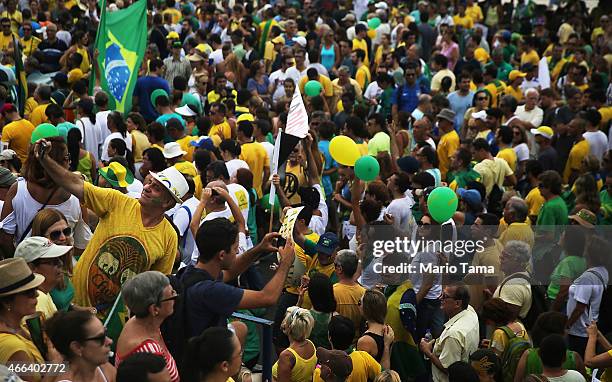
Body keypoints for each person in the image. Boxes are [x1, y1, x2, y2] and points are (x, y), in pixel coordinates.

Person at [34, 141, 187, 336]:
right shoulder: (118, 202)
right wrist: (45, 160)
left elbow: (155, 288)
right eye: (149, 182)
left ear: (167, 202)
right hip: (74, 306)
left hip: (111, 324)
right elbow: (76, 185)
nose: (147, 187)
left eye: (156, 188)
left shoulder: (168, 237)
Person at [0, 134, 91, 257]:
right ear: (55, 163)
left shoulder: (17, 191)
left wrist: (22, 263)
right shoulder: (77, 196)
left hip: (28, 268)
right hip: (62, 269)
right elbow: (82, 245)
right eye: (66, 158)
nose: (69, 163)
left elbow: (5, 238)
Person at [116, 271, 179, 382]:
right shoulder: (148, 352)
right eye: (171, 295)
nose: (175, 295)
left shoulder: (138, 321)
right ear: (155, 309)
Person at [419, 282, 480, 382]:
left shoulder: (453, 334)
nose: (440, 298)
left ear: (457, 303)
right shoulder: (470, 310)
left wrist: (428, 352)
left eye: (445, 296)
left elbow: (449, 369)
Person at [566, 236, 609, 357]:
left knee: (578, 361)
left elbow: (580, 307)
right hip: (592, 328)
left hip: (579, 331)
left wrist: (567, 325)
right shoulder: (603, 271)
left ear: (589, 253)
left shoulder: (587, 278)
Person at [45, 310, 116, 382]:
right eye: (100, 338)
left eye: (105, 333)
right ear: (77, 347)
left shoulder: (102, 366)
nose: (110, 341)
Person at [13, 236, 72, 320]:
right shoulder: (38, 300)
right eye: (53, 261)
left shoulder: (43, 293)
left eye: (59, 259)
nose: (60, 263)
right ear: (32, 268)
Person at [272, 306, 317, 382]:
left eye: (285, 319)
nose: (283, 322)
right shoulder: (310, 344)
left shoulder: (287, 356)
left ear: (289, 327)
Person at [492, 240, 532, 320]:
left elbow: (509, 318)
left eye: (506, 256)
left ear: (520, 262)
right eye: (502, 254)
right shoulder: (520, 275)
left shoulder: (513, 286)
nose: (501, 257)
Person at [333, 249, 366, 340]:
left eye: (335, 265)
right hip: (357, 343)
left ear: (339, 269)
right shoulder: (364, 293)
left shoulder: (332, 292)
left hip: (337, 343)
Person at [357, 289, 388, 363]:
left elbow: (364, 369)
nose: (358, 306)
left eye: (359, 303)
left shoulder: (365, 341)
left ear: (366, 309)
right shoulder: (388, 330)